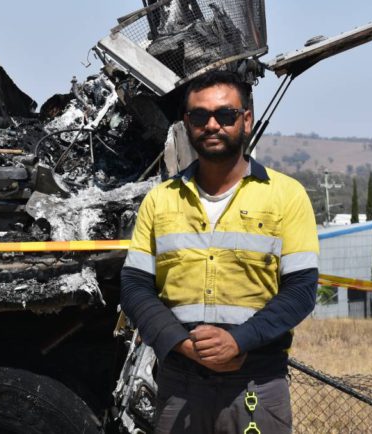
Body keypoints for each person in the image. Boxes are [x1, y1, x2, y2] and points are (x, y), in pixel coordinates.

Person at [120, 70, 319, 434]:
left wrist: (239, 341)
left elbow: (302, 290)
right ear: (187, 123)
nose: (212, 125)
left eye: (225, 115)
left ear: (246, 120)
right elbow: (135, 287)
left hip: (255, 385)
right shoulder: (159, 200)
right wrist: (180, 343)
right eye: (200, 116)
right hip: (179, 385)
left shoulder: (286, 196)